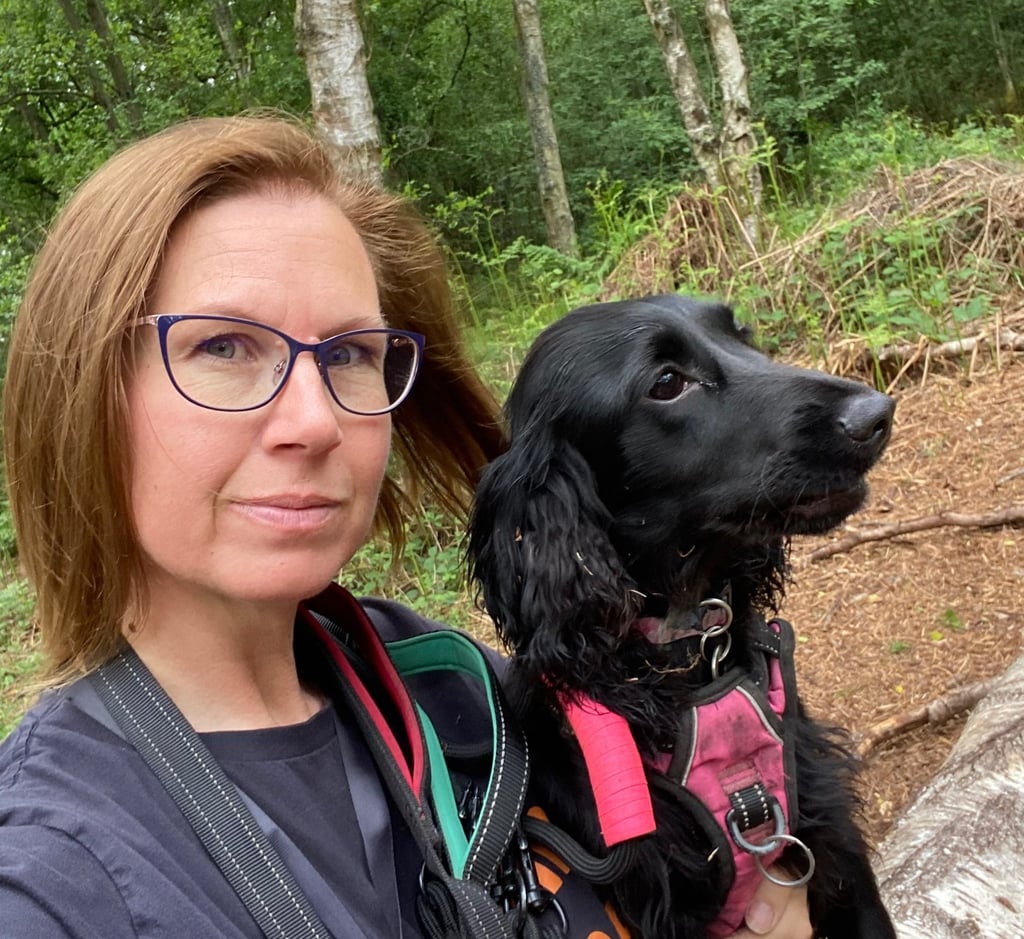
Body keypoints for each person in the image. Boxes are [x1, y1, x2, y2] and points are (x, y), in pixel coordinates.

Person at [0, 115, 811, 938]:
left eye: (350, 352)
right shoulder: (55, 873)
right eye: (223, 346)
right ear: (82, 396)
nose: (314, 421)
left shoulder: (461, 695)